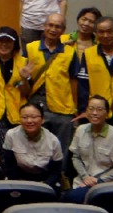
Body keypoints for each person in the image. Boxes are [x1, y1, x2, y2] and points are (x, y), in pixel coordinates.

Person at [23, 13, 77, 150]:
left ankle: (59, 172)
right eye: (50, 25)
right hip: (36, 105)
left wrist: (75, 108)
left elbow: (74, 82)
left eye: (58, 26)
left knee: (62, 147)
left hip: (62, 107)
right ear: (44, 26)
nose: (53, 29)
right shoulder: (30, 48)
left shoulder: (70, 52)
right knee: (35, 145)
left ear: (63, 30)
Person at [63, 95, 113, 203]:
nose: (94, 113)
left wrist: (99, 180)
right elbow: (76, 157)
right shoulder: (80, 130)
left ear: (107, 114)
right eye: (91, 109)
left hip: (107, 185)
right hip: (81, 182)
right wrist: (85, 177)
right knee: (67, 200)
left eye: (99, 110)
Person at [0, 103, 63, 193]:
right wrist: (17, 185)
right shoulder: (11, 135)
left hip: (44, 180)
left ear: (42, 119)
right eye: (25, 117)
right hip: (19, 178)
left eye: (34, 117)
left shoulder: (53, 140)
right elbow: (9, 165)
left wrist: (44, 185)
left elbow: (56, 171)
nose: (29, 121)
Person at [68, 7, 102, 118]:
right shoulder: (64, 40)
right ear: (78, 19)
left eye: (91, 22)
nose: (86, 23)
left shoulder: (99, 45)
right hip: (67, 88)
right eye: (84, 19)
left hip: (89, 88)